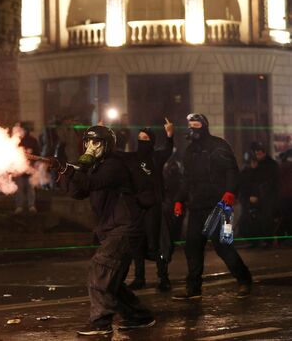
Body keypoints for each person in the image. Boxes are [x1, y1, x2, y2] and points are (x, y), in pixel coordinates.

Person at [66, 125, 155, 336]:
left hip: (125, 228)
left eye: (96, 143)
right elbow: (77, 192)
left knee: (100, 271)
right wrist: (65, 173)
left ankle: (100, 323)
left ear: (107, 145)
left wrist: (73, 170)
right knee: (111, 280)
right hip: (112, 228)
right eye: (87, 142)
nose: (90, 147)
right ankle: (139, 316)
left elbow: (90, 183)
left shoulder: (114, 166)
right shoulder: (95, 166)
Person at [172, 113, 252, 300]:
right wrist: (179, 199)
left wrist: (230, 192)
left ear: (204, 125)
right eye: (190, 124)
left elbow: (232, 171)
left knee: (223, 246)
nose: (192, 127)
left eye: (196, 124)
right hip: (197, 206)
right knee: (192, 247)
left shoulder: (219, 145)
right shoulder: (190, 151)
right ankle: (193, 289)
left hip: (219, 205)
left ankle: (244, 279)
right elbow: (187, 180)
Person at [125, 119, 174, 292]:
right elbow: (115, 155)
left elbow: (168, 150)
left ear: (151, 141)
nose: (142, 141)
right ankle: (139, 278)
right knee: (137, 243)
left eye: (145, 138)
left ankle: (164, 278)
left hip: (154, 206)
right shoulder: (132, 158)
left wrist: (169, 134)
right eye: (139, 137)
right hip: (137, 207)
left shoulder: (156, 157)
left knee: (156, 243)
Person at [244, 142, 279, 247]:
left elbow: (272, 182)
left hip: (268, 197)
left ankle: (268, 241)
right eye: (256, 154)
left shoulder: (271, 164)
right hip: (256, 196)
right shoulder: (255, 165)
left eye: (259, 153)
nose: (258, 156)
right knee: (252, 217)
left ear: (264, 153)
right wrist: (251, 169)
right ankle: (254, 241)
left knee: (266, 217)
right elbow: (249, 181)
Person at [14, 124, 41, 214]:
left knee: (30, 188)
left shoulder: (33, 140)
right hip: (19, 169)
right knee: (19, 189)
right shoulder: (16, 140)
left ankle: (31, 206)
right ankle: (19, 206)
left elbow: (37, 154)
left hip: (30, 168)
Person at [276, 149, 292, 243]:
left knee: (284, 217)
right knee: (289, 217)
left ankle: (281, 238)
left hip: (281, 196)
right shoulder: (289, 166)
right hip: (289, 195)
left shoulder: (280, 166)